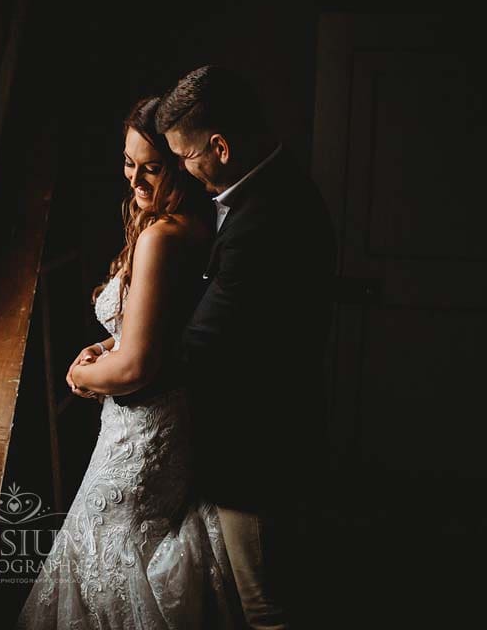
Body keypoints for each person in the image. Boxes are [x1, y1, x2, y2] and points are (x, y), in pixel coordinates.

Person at [15, 97, 245, 630]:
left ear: (181, 164)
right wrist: (109, 347)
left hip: (141, 432)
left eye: (152, 167)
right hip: (173, 420)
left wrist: (80, 374)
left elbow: (138, 366)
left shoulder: (163, 237)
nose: (136, 181)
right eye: (128, 163)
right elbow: (162, 331)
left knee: (107, 555)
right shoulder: (197, 222)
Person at [155, 65, 337, 630]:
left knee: (266, 610)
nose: (183, 170)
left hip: (257, 452)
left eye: (186, 156)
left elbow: (204, 343)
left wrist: (123, 363)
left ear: (221, 146)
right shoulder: (275, 189)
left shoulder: (269, 217)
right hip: (260, 439)